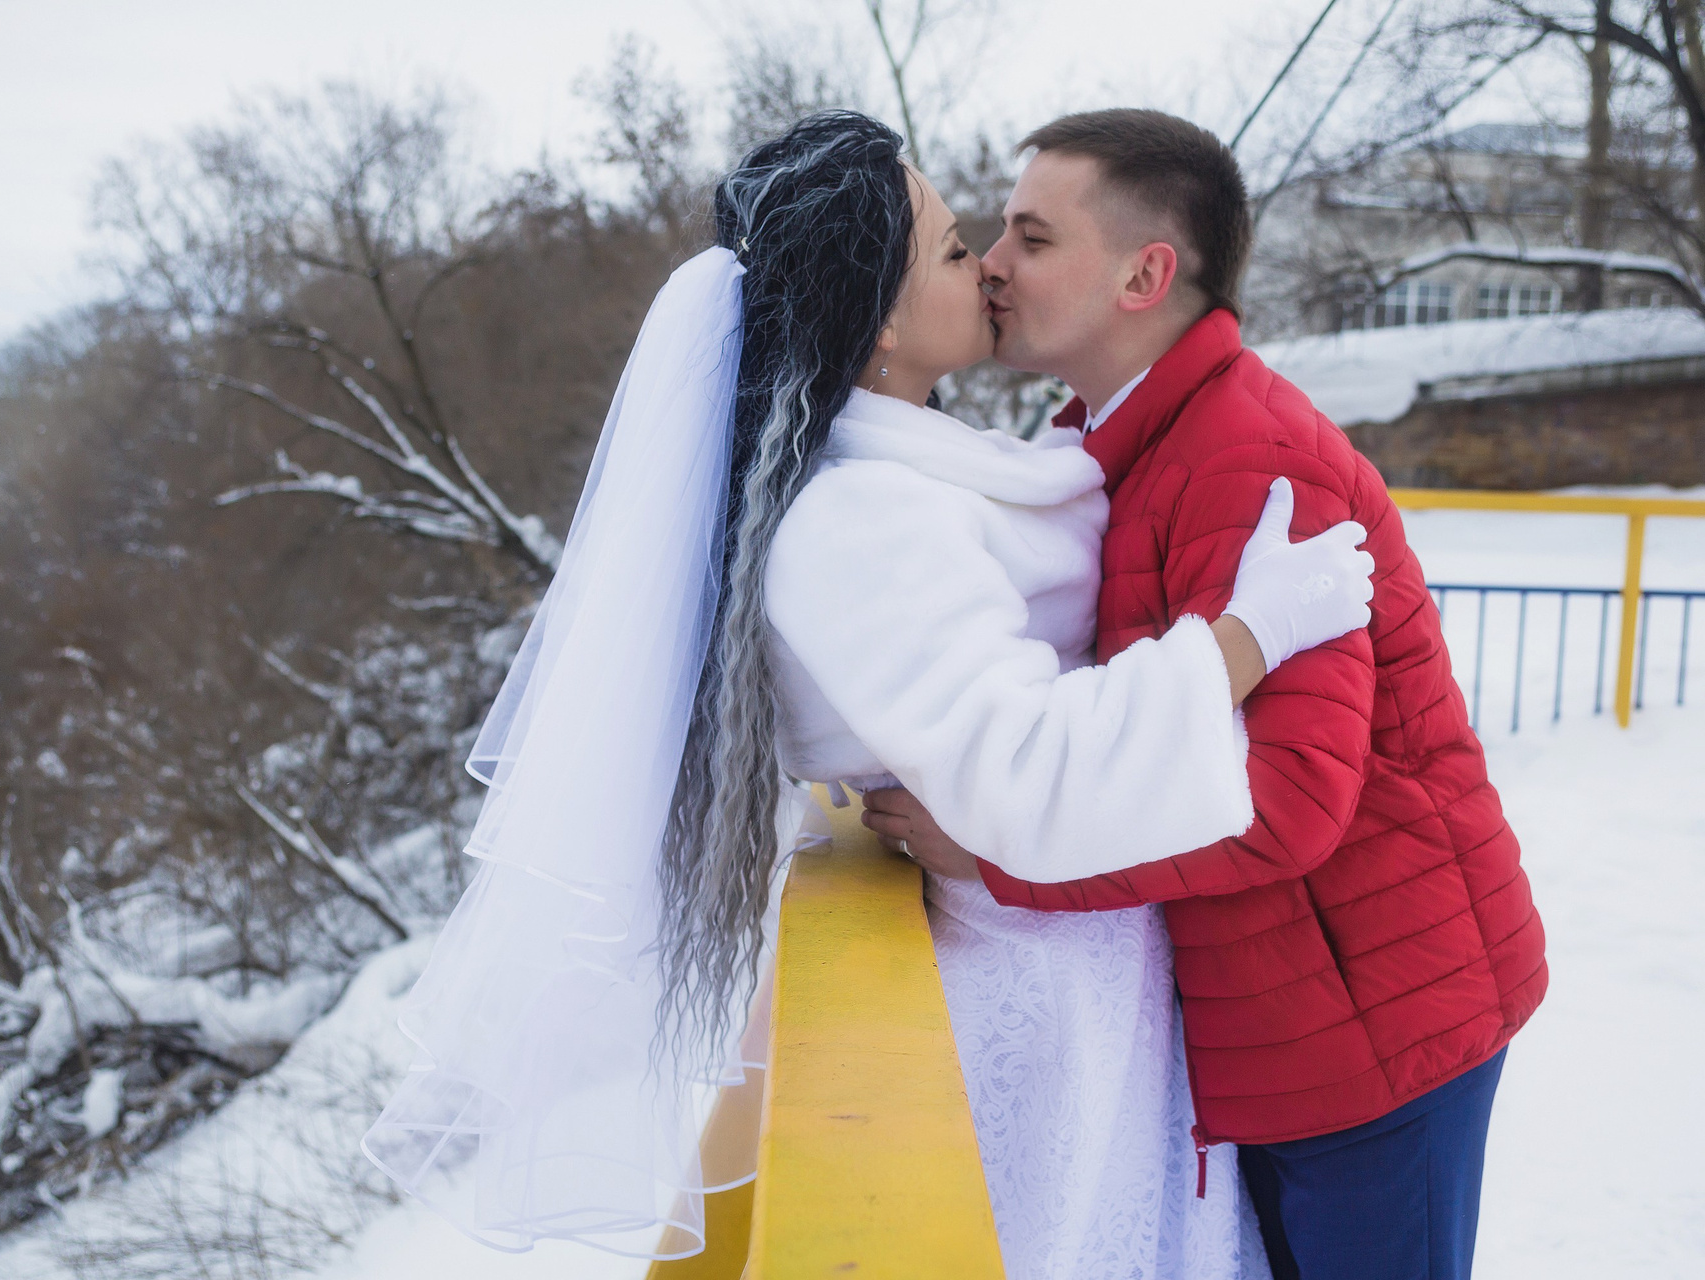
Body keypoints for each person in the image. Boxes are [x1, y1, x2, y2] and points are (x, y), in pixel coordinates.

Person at [361, 111, 1369, 1275]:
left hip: (1075, 961)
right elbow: (1024, 766)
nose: (988, 267)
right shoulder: (859, 521)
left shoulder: (907, 472)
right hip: (1027, 994)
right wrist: (1247, 635)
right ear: (882, 317)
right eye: (956, 249)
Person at [862, 109, 1548, 1280]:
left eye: (1032, 236)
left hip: (1380, 1027)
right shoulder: (1124, 442)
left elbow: (1288, 801)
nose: (993, 265)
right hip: (1282, 1019)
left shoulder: (1248, 457)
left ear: (1144, 275)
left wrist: (1002, 852)